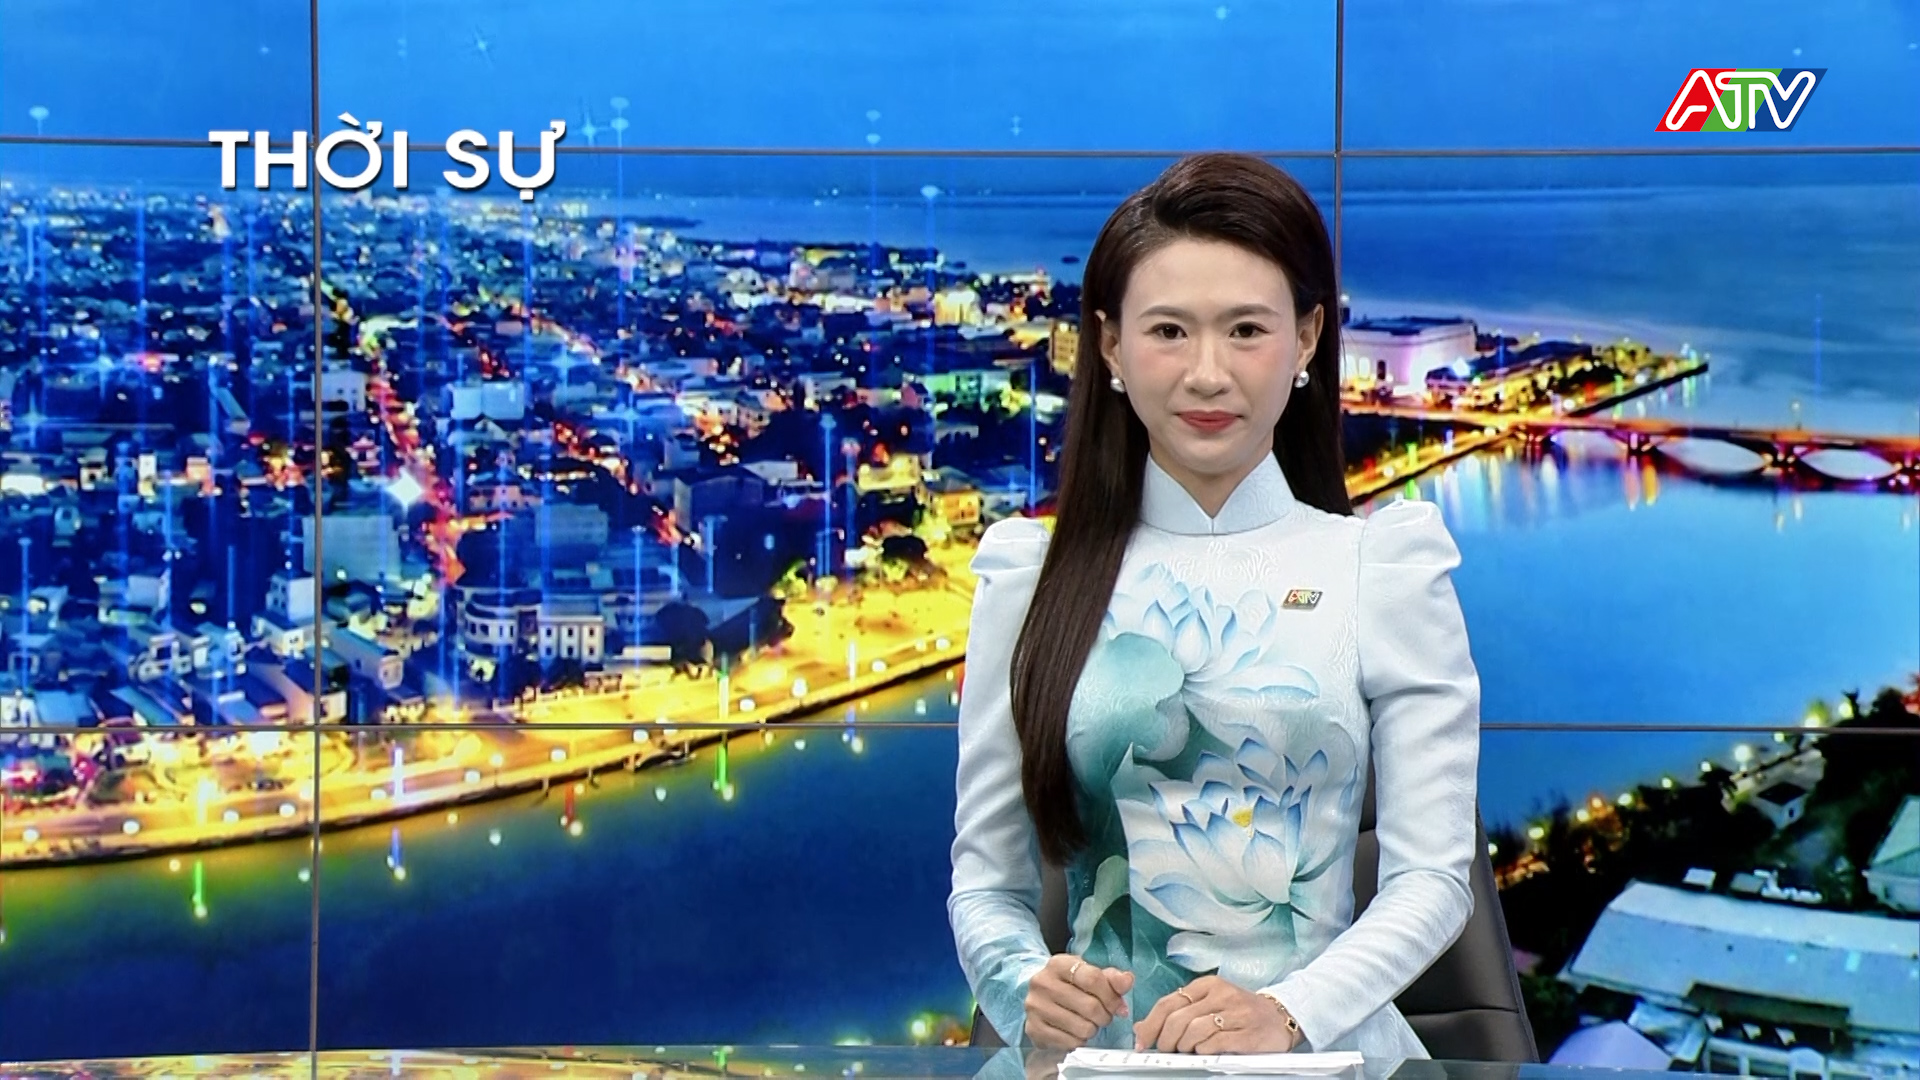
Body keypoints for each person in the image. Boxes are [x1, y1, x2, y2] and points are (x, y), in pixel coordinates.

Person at [947, 153, 1481, 1060]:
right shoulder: (1031, 577)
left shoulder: (1383, 567)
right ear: (1110, 347)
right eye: (1168, 331)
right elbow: (987, 885)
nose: (1207, 374)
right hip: (1101, 1063)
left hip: (1320, 1056)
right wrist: (1020, 983)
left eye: (1245, 330)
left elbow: (1433, 880)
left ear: (1306, 339)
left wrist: (1290, 1010)